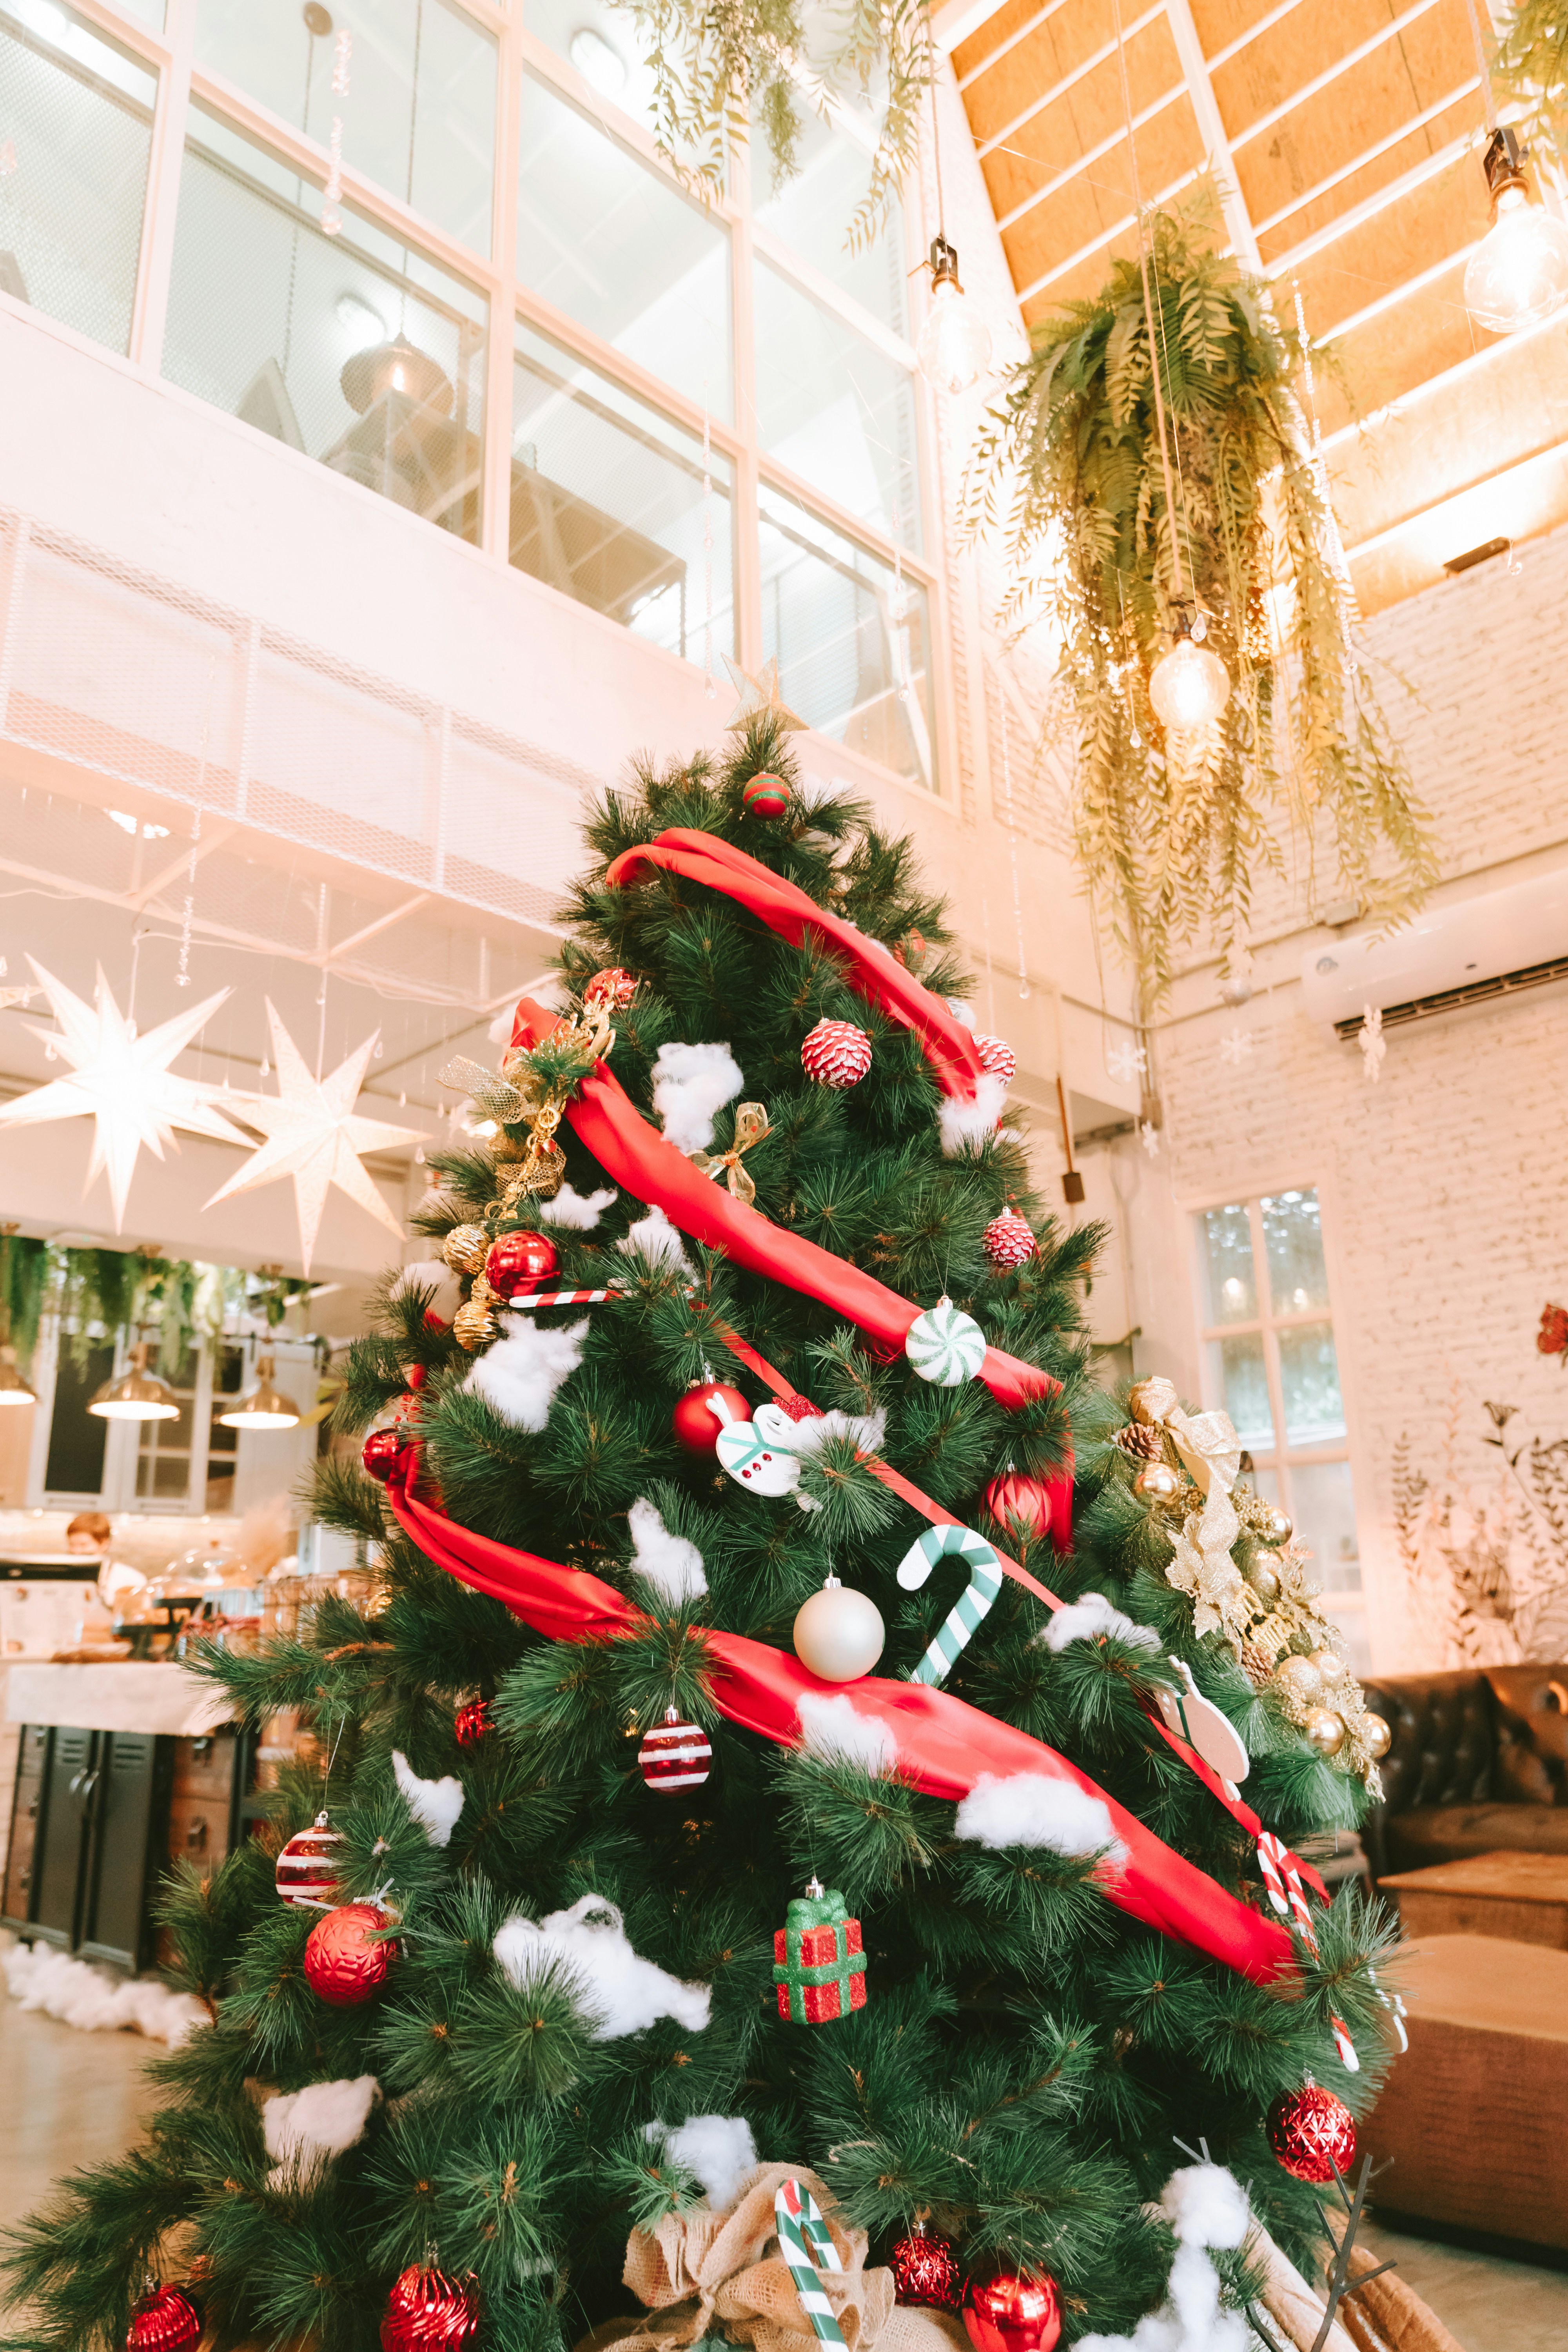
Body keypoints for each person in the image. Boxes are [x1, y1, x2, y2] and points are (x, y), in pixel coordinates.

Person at [65, 1509, 147, 1613]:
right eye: (72, 1545)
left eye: (83, 1545)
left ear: (104, 1544)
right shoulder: (64, 1579)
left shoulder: (131, 1579)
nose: (76, 1551)